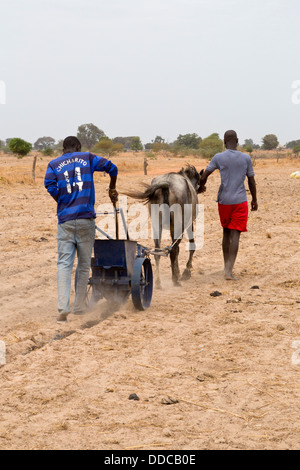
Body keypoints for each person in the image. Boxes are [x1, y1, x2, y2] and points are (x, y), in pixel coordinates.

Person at [44, 136, 118, 323]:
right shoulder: (87, 157)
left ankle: (62, 308)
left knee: (64, 264)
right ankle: (79, 307)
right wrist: (112, 187)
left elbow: (50, 186)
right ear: (77, 146)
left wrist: (62, 202)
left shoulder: (53, 164)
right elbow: (113, 168)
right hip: (86, 219)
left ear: (63, 148)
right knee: (84, 265)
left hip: (65, 221)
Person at [199, 130, 258, 280]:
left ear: (224, 142)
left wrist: (201, 187)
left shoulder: (218, 157)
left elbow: (204, 176)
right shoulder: (246, 158)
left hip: (224, 201)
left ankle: (226, 266)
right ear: (237, 140)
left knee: (226, 233)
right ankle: (229, 271)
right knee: (236, 234)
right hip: (240, 201)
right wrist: (254, 199)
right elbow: (251, 181)